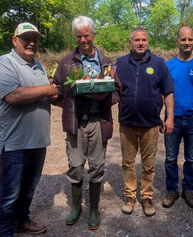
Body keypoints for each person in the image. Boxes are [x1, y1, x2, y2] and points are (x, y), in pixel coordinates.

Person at [53, 16, 121, 230]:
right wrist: (68, 100)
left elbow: (117, 90)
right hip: (76, 122)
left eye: (86, 35)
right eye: (79, 36)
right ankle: (76, 206)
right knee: (75, 166)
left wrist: (103, 96)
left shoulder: (107, 62)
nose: (83, 39)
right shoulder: (66, 62)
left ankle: (93, 209)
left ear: (93, 35)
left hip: (99, 121)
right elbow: (57, 90)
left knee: (97, 166)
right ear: (76, 37)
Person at [0, 22, 58, 237]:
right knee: (9, 192)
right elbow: (13, 95)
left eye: (35, 39)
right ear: (15, 40)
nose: (31, 43)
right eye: (26, 38)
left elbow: (42, 94)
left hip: (37, 141)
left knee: (29, 187)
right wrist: (49, 88)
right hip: (14, 143)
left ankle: (21, 220)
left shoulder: (38, 65)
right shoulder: (6, 62)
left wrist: (53, 94)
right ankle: (4, 231)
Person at [116, 27, 174, 217]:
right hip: (127, 124)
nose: (141, 43)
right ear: (130, 42)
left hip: (150, 124)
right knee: (128, 163)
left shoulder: (158, 63)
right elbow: (112, 90)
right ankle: (130, 196)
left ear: (148, 42)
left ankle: (147, 197)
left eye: (144, 40)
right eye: (137, 40)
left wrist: (170, 117)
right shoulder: (120, 63)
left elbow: (168, 91)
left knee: (148, 164)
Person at [162, 26, 193, 209]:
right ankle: (172, 190)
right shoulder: (168, 66)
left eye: (190, 39)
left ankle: (188, 190)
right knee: (170, 158)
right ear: (177, 42)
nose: (187, 43)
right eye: (183, 39)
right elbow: (163, 92)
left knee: (192, 159)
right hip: (172, 119)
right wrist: (161, 116)